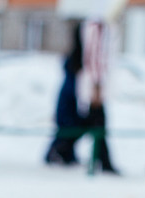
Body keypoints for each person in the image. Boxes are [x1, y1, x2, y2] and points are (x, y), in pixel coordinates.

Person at [79, 17, 118, 174]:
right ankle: (101, 161)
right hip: (95, 92)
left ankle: (100, 160)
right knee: (96, 128)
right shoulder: (95, 31)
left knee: (96, 128)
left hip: (97, 90)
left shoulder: (102, 31)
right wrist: (96, 87)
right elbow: (94, 60)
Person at [44, 24, 86, 166]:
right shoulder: (76, 55)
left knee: (69, 127)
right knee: (66, 128)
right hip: (68, 97)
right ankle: (54, 153)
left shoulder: (78, 53)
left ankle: (66, 154)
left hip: (70, 97)